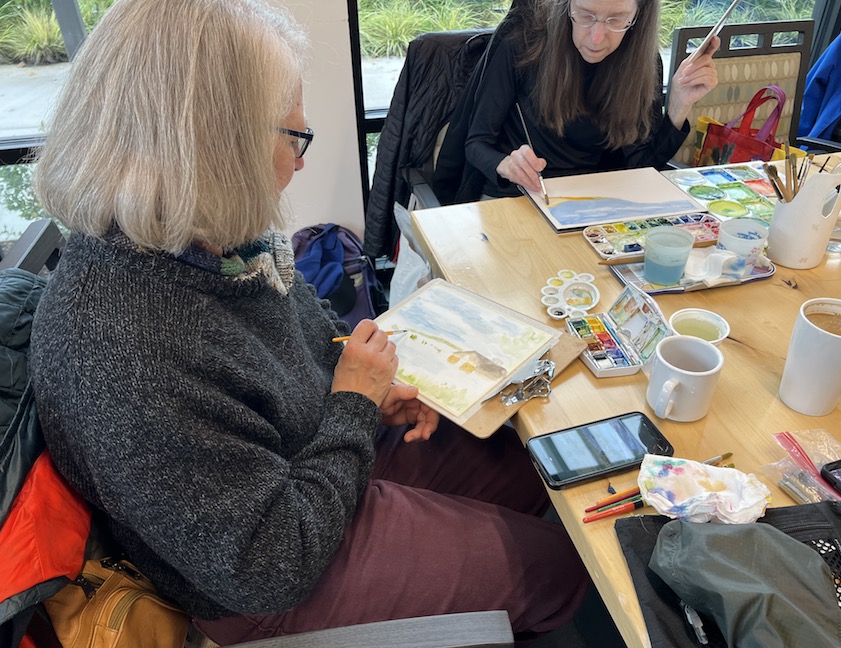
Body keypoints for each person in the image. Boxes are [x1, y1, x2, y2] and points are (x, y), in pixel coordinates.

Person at [29, 0, 590, 643]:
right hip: (264, 565)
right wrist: (354, 404)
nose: (300, 162)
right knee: (558, 569)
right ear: (212, 149)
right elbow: (269, 566)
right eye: (293, 138)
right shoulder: (124, 349)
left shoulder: (208, 237)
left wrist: (367, 396)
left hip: (306, 454)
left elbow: (302, 344)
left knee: (532, 463)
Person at [464, 0, 719, 198]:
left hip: (595, 198)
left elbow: (642, 167)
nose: (596, 38)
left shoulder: (643, 63)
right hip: (518, 194)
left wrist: (679, 105)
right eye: (585, 16)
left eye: (616, 20)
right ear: (566, 7)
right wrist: (506, 164)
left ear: (637, 17)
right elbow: (476, 143)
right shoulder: (523, 46)